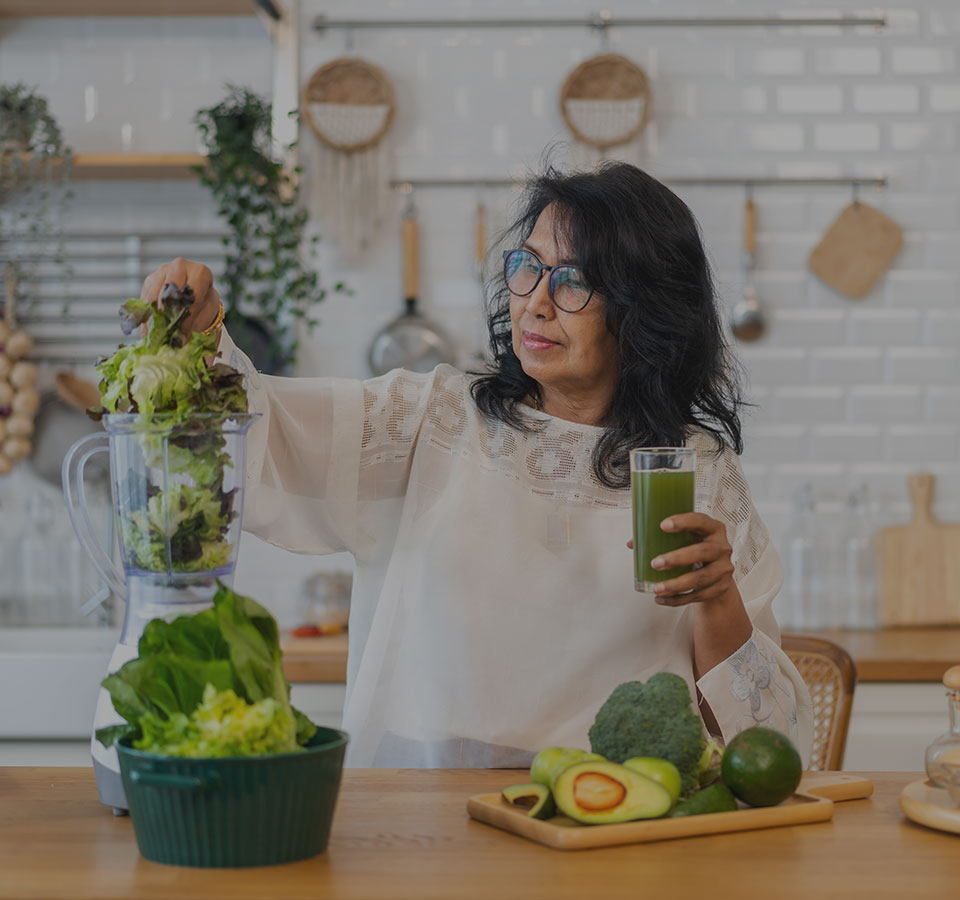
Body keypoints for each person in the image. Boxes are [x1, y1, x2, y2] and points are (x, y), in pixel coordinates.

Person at [141, 162, 813, 768]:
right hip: (420, 823)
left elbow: (762, 742)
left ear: (646, 313)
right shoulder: (430, 420)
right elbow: (259, 430)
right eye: (529, 266)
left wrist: (718, 599)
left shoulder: (694, 469)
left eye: (574, 280)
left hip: (613, 824)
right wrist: (200, 337)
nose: (537, 301)